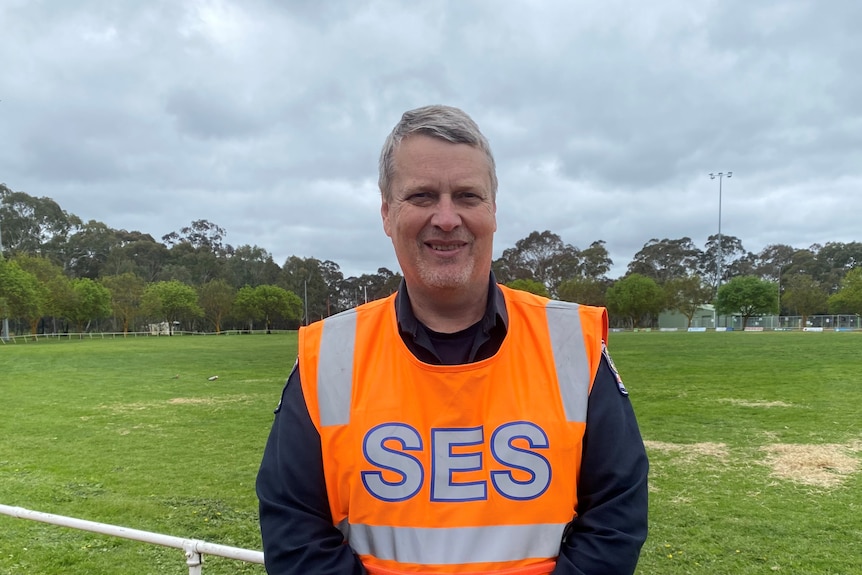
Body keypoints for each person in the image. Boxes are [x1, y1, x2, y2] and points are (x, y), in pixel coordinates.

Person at [256, 105, 648, 575]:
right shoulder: (330, 356)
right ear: (386, 212)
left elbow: (616, 515)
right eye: (422, 196)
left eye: (467, 195)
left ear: (493, 211)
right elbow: (294, 528)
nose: (446, 218)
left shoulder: (572, 344)